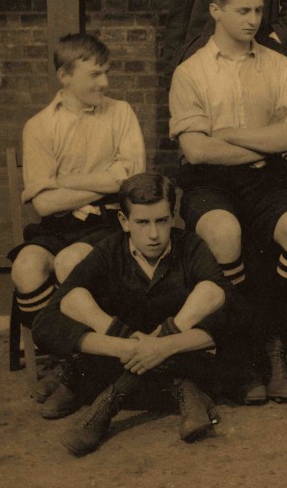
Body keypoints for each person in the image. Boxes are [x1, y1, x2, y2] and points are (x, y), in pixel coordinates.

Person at [169, 0, 287, 403]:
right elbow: (196, 152)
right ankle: (239, 351)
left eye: (258, 10)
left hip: (266, 182)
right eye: (243, 11)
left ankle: (274, 344)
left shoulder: (279, 65)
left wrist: (228, 135)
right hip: (210, 185)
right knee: (223, 233)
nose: (254, 20)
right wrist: (263, 143)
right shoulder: (190, 72)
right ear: (216, 11)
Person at [33, 173, 244, 456]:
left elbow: (238, 313)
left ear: (172, 217)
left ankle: (109, 401)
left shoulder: (191, 247)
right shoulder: (108, 251)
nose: (154, 234)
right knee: (75, 299)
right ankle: (187, 392)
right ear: (124, 222)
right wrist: (127, 346)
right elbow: (46, 321)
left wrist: (164, 344)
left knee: (211, 293)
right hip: (124, 357)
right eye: (142, 222)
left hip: (179, 356)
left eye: (162, 221)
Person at [9, 32, 145, 418]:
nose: (104, 83)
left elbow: (130, 180)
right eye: (94, 75)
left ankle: (78, 370)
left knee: (72, 263)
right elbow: (45, 203)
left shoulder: (121, 113)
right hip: (55, 225)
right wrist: (102, 179)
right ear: (64, 77)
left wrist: (64, 182)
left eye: (106, 73)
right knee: (26, 267)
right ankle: (68, 358)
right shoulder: (39, 126)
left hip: (106, 221)